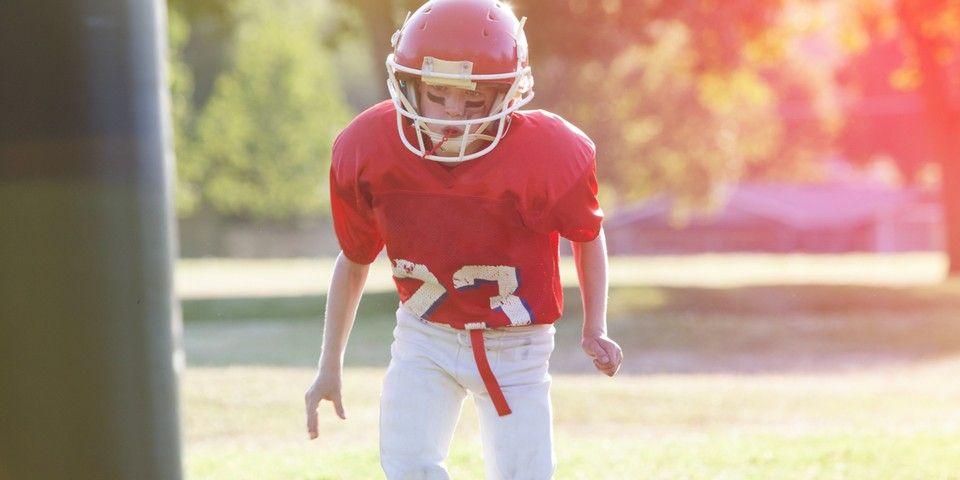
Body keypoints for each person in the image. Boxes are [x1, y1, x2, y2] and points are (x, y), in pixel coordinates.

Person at [304, 0, 623, 478]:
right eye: (438, 94)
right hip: (424, 335)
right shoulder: (368, 147)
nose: (454, 114)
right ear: (409, 85)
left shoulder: (547, 152)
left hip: (517, 345)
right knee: (407, 466)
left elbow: (587, 234)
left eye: (473, 101)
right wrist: (329, 365)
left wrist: (595, 325)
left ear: (507, 94)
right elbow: (353, 260)